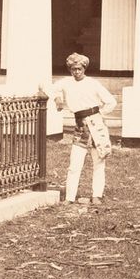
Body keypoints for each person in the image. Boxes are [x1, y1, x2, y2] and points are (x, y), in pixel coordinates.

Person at [45, 52, 116, 205]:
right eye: (73, 69)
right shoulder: (66, 83)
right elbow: (47, 88)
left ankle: (97, 195)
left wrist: (99, 114)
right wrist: (58, 98)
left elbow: (111, 102)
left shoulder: (93, 83)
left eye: (79, 69)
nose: (76, 72)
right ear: (70, 69)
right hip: (79, 126)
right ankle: (70, 197)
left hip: (96, 125)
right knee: (74, 164)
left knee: (98, 161)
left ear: (84, 68)